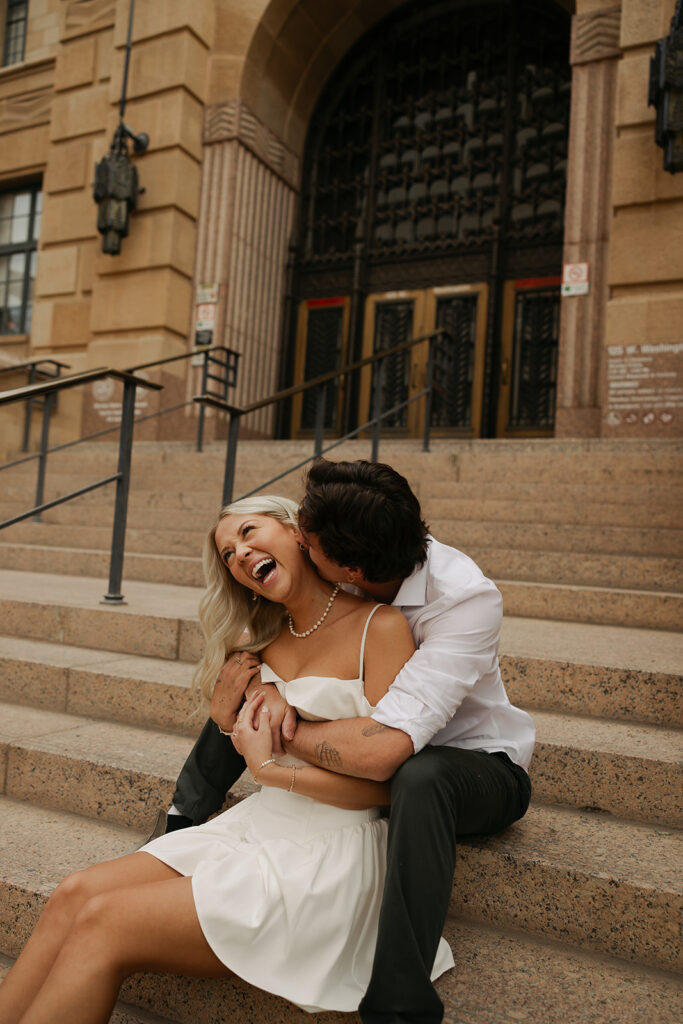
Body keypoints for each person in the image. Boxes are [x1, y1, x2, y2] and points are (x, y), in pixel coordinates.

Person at [0, 494, 454, 1024]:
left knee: (105, 921)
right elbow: (244, 732)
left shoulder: (380, 627)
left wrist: (269, 772)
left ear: (296, 532)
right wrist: (226, 720)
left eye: (249, 532)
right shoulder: (257, 639)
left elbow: (384, 788)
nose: (239, 553)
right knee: (73, 893)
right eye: (227, 553)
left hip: (330, 852)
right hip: (255, 826)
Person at [168, 458, 535, 1024]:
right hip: (377, 738)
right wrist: (246, 705)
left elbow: (386, 749)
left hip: (471, 765)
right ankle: (183, 820)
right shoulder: (350, 562)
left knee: (420, 774)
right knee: (257, 676)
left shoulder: (463, 599)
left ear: (352, 568)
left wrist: (280, 731)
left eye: (309, 542)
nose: (299, 541)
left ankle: (397, 996)